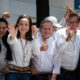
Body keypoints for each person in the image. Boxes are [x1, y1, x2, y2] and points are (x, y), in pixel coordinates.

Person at [6, 14, 40, 80]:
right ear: (18, 25)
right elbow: (10, 41)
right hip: (13, 72)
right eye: (21, 24)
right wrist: (12, 36)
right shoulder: (13, 36)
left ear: (29, 26)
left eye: (26, 24)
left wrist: (35, 36)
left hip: (25, 72)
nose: (23, 27)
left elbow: (37, 53)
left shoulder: (32, 40)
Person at [56, 13, 80, 80]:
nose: (71, 25)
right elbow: (58, 52)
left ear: (78, 24)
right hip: (61, 73)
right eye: (69, 22)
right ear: (66, 22)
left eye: (74, 22)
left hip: (75, 73)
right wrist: (68, 39)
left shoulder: (79, 34)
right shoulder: (60, 33)